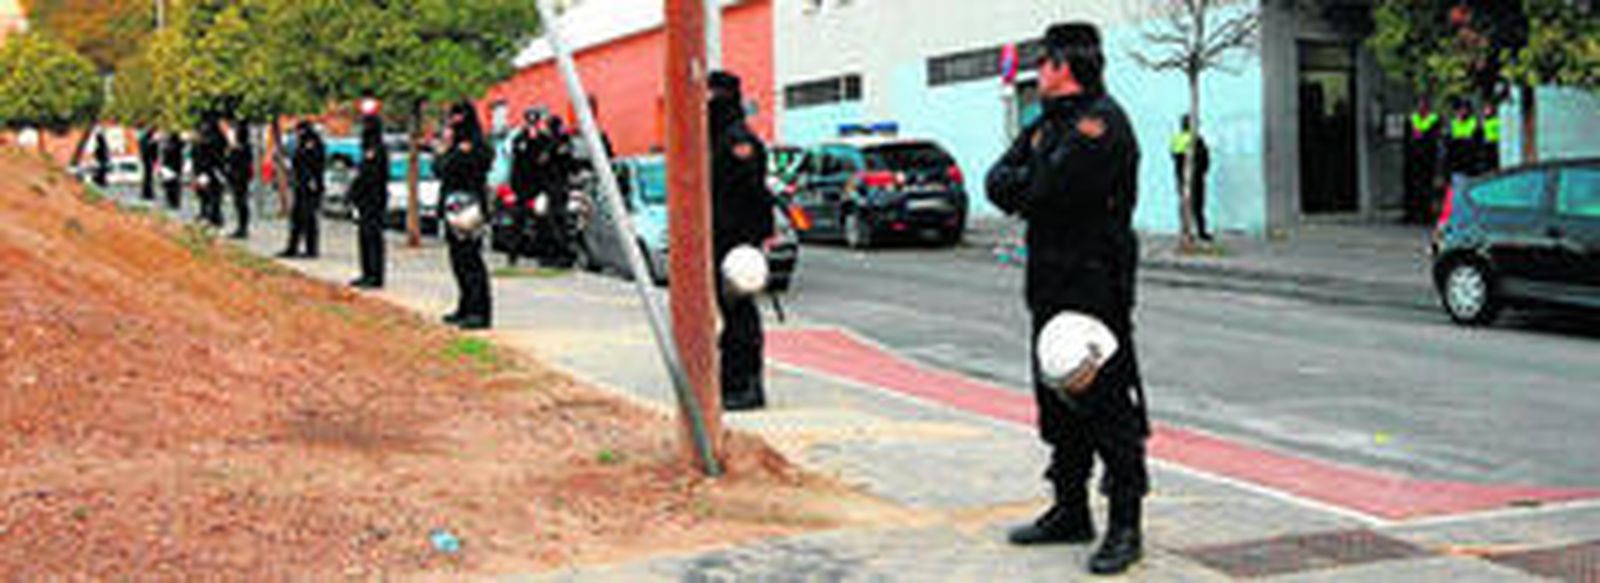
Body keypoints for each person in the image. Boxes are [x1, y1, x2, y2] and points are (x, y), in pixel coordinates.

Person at [985, 22, 1148, 576]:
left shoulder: (1101, 124)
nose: (1037, 71)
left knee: (1106, 402)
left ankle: (1125, 523)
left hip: (1094, 282)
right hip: (1050, 280)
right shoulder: (1045, 124)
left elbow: (1048, 192)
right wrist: (1029, 183)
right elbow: (997, 181)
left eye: (1044, 62)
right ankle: (1070, 508)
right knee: (1057, 396)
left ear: (1064, 67)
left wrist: (1028, 185)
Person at [709, 71, 775, 412]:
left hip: (737, 243)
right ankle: (731, 381)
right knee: (731, 314)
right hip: (723, 239)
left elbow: (752, 192)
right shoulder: (718, 138)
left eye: (712, 96)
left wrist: (752, 239)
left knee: (741, 317)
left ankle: (746, 385)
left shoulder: (737, 140)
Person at [437, 101, 494, 330]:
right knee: (458, 260)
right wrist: (447, 148)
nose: (454, 121)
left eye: (458, 116)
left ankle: (480, 311)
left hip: (470, 206)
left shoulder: (479, 145)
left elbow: (478, 165)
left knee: (471, 260)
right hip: (452, 205)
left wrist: (459, 154)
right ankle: (465, 305)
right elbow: (440, 169)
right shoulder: (452, 145)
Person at [349, 113, 390, 289]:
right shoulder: (367, 150)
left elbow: (371, 176)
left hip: (374, 199)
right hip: (365, 200)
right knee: (364, 237)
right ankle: (367, 272)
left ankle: (375, 275)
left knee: (373, 237)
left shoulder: (377, 150)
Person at [534, 114, 579, 269]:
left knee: (557, 222)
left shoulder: (560, 143)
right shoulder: (554, 142)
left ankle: (563, 255)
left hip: (558, 187)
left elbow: (561, 162)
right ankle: (554, 255)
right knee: (552, 222)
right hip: (553, 186)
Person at [280, 121, 326, 259]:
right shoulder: (302, 144)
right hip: (300, 184)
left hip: (310, 186)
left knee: (309, 217)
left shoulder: (314, 143)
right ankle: (292, 247)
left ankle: (311, 249)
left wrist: (312, 181)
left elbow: (315, 165)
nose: (297, 134)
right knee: (297, 217)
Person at [507, 108, 545, 266]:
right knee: (518, 220)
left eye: (535, 122)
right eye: (530, 122)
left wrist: (536, 141)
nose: (532, 125)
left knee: (541, 220)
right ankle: (513, 254)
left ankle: (540, 253)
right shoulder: (519, 139)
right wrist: (513, 187)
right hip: (522, 186)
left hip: (539, 185)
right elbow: (517, 162)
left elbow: (544, 159)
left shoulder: (544, 139)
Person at [1170, 114, 1211, 241]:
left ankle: (1186, 231)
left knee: (1185, 205)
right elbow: (1203, 159)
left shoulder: (1177, 139)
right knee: (1198, 205)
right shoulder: (1195, 140)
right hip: (1196, 178)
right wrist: (1203, 170)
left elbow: (1175, 157)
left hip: (1181, 178)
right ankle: (1200, 231)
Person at [1403, 97, 1443, 224]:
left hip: (1428, 159)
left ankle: (1426, 214)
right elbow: (1407, 139)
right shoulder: (1411, 119)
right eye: (1419, 105)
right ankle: (1413, 213)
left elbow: (1434, 138)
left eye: (1424, 105)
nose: (1421, 108)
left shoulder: (1434, 120)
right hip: (1413, 159)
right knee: (1413, 187)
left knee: (1426, 188)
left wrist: (1421, 137)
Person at [193, 116, 228, 228]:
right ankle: (207, 214)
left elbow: (216, 154)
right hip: (206, 168)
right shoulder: (207, 139)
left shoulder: (214, 139)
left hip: (212, 169)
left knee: (213, 193)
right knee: (204, 192)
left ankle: (214, 217)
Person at [226, 120, 255, 239]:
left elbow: (235, 163)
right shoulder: (243, 148)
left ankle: (243, 228)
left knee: (241, 202)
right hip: (239, 178)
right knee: (240, 202)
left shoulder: (242, 148)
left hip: (240, 179)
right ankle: (241, 227)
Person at [1445, 98, 1481, 186]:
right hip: (1457, 166)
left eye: (1465, 109)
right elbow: (1447, 145)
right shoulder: (1451, 125)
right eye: (1460, 109)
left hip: (1471, 166)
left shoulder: (1474, 122)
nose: (1463, 111)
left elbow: (1477, 142)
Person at [161, 131, 185, 210]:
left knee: (170, 186)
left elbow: (165, 157)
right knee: (174, 186)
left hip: (170, 167)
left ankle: (172, 202)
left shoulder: (168, 145)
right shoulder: (177, 145)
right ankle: (174, 202)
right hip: (175, 167)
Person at [1478, 101, 1501, 176]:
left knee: (1494, 158)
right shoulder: (1483, 121)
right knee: (1488, 158)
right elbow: (1482, 131)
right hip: (1486, 143)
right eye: (1485, 109)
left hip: (1494, 142)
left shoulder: (1496, 120)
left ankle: (1495, 170)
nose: (1486, 111)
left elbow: (1497, 131)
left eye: (1488, 109)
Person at [139, 129, 159, 201]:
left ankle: (147, 193)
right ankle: (147, 193)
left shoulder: (144, 139)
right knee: (148, 177)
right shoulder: (147, 139)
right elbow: (152, 151)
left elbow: (154, 151)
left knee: (148, 177)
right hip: (148, 159)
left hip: (147, 159)